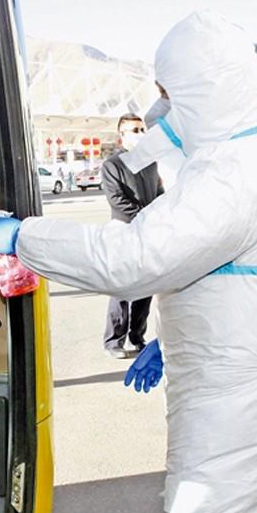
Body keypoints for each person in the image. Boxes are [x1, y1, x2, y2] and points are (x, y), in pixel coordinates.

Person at [0, 11, 257, 513]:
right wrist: (168, 343)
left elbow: (135, 258)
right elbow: (239, 285)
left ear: (203, 90)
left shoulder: (233, 171)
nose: (161, 108)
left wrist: (24, 236)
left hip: (244, 416)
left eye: (169, 93)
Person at [100, 113, 163, 357]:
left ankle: (137, 336)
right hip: (124, 232)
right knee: (122, 288)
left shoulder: (150, 163)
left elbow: (159, 193)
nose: (140, 134)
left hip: (148, 234)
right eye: (134, 130)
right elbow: (117, 199)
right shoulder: (112, 166)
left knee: (145, 287)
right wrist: (143, 216)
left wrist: (159, 215)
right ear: (122, 135)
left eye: (142, 129)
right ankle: (114, 341)